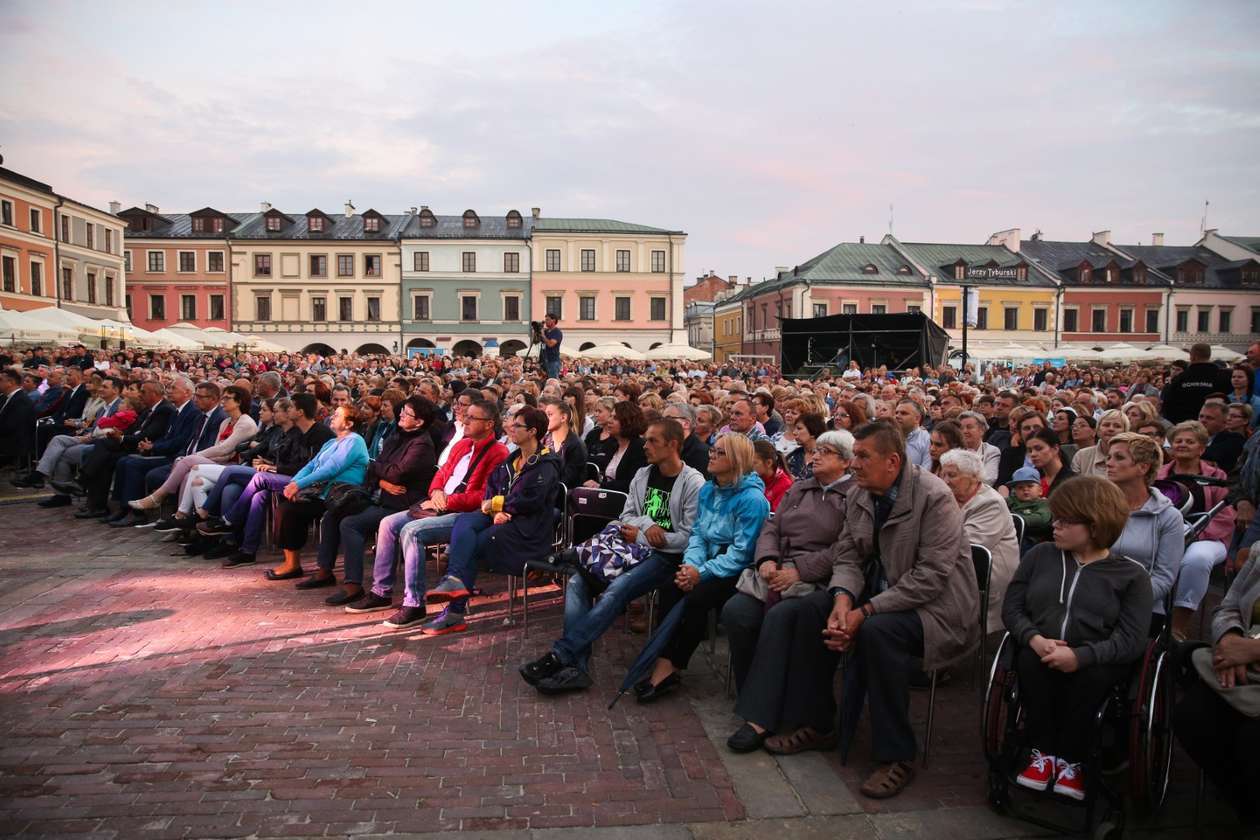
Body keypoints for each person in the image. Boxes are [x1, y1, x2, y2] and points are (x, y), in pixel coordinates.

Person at [824, 420, 979, 799]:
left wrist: (865, 612)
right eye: (854, 455)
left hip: (937, 608)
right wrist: (842, 600)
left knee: (878, 632)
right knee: (806, 611)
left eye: (862, 456)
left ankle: (897, 754)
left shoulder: (934, 496)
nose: (854, 464)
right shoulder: (861, 493)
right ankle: (820, 720)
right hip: (878, 593)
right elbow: (847, 552)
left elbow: (931, 577)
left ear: (892, 461)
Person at [520, 418, 705, 694]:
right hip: (627, 550)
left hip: (665, 557)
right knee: (576, 583)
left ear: (673, 444)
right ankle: (576, 669)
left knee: (617, 590)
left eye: (653, 440)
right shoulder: (643, 475)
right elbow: (627, 516)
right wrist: (647, 526)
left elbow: (687, 537)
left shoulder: (693, 482)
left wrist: (644, 534)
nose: (646, 446)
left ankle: (561, 655)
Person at [1002, 476, 1152, 802]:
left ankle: (1072, 759)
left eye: (1066, 521)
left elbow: (1132, 639)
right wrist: (1034, 638)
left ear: (1095, 525)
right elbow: (1012, 608)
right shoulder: (1041, 556)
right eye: (1055, 517)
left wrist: (1081, 657)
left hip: (1097, 656)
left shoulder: (1131, 576)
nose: (1055, 525)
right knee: (1030, 662)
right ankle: (1040, 752)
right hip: (1041, 645)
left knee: (1092, 678)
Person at [722, 430, 855, 754]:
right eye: (817, 450)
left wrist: (800, 571)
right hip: (779, 570)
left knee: (782, 616)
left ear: (846, 462)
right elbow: (772, 527)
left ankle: (759, 717)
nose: (816, 456)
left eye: (826, 451)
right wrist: (767, 559)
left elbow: (847, 548)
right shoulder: (800, 488)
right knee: (737, 612)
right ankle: (757, 695)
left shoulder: (854, 496)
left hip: (821, 580)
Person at [631, 433, 768, 703]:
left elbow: (742, 553)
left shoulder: (752, 500)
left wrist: (700, 573)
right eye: (712, 451)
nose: (711, 456)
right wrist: (691, 565)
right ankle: (663, 656)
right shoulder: (708, 489)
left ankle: (671, 665)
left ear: (737, 460)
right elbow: (697, 534)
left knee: (696, 597)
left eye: (720, 453)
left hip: (735, 570)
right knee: (671, 587)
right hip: (704, 560)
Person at [368, 399, 509, 628]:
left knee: (411, 531)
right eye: (466, 415)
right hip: (436, 504)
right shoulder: (462, 445)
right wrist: (435, 493)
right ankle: (381, 591)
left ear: (489, 424)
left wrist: (447, 501)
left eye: (473, 417)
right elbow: (441, 474)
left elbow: (483, 496)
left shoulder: (498, 452)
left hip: (465, 514)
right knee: (388, 523)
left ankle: (414, 604)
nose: (465, 420)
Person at [422, 405, 561, 635]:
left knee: (475, 544)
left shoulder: (546, 465)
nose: (510, 428)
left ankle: (455, 612)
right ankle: (455, 579)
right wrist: (495, 510)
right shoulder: (512, 460)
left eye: (517, 425)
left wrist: (498, 505)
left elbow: (530, 500)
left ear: (533, 431)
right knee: (465, 522)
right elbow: (491, 488)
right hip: (500, 518)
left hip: (526, 529)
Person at [301, 396, 439, 608]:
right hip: (381, 495)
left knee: (351, 524)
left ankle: (354, 585)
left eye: (406, 413)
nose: (400, 414)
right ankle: (324, 571)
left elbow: (396, 472)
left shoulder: (421, 444)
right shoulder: (396, 436)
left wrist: (381, 473)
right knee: (333, 514)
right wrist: (383, 480)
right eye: (402, 410)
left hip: (402, 504)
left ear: (419, 421)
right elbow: (375, 469)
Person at [1174, 543, 1260, 827]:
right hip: (1244, 669)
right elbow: (1228, 606)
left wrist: (1253, 650)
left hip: (1251, 660)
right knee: (1192, 717)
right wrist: (1230, 639)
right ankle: (1245, 807)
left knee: (1252, 739)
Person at [263, 403, 370, 581]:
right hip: (323, 494)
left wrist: (298, 485)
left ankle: (308, 568)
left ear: (349, 424)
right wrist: (294, 483)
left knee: (291, 510)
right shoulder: (330, 442)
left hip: (342, 497)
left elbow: (331, 469)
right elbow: (311, 466)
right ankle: (292, 563)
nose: (332, 417)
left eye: (337, 415)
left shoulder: (354, 441)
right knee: (287, 507)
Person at [127, 385, 259, 524]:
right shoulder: (226, 422)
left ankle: (160, 498)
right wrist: (196, 458)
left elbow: (224, 449)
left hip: (234, 467)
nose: (223, 401)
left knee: (189, 463)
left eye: (227, 398)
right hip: (222, 463)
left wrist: (196, 456)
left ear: (239, 401)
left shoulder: (245, 423)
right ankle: (188, 521)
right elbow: (220, 451)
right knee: (190, 477)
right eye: (223, 397)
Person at [1159, 421, 1236, 640]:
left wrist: (1194, 533)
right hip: (1168, 534)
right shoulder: (1159, 474)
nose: (1182, 445)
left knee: (1197, 559)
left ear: (1201, 448)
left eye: (1189, 441)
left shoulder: (1217, 476)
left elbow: (1225, 515)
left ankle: (1180, 623)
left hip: (1209, 536)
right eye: (1178, 441)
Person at [938, 448, 1019, 634]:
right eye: (943, 474)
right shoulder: (948, 498)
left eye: (952, 475)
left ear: (974, 477)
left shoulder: (990, 503)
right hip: (958, 572)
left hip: (985, 582)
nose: (945, 481)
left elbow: (965, 547)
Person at [1106, 432, 1183, 620]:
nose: (1108, 463)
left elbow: (1164, 578)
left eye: (1119, 457)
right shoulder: (1098, 507)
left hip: (1139, 610)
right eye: (1109, 457)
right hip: (1089, 599)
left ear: (1142, 467)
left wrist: (1124, 601)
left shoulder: (1169, 517)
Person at [585, 401, 647, 493]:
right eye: (610, 416)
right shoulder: (613, 444)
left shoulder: (639, 447)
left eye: (615, 418)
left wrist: (600, 486)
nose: (609, 421)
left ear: (628, 421)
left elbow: (632, 483)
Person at [1161, 342, 1231, 424]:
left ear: (1192, 356)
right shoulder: (1223, 377)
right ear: (1209, 356)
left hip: (1185, 423)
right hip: (1215, 422)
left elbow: (1168, 404)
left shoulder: (1180, 379)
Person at [539, 396, 587, 490]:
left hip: (565, 495)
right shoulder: (545, 440)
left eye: (549, 415)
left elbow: (568, 480)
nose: (545, 419)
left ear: (563, 417)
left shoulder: (576, 445)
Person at [1071, 409, 1127, 478]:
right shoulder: (1081, 456)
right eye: (1106, 425)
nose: (1111, 429)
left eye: (1117, 426)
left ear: (1125, 431)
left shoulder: (1131, 457)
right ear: (1098, 429)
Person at [1006, 466, 1051, 548]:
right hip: (1011, 536)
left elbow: (1042, 518)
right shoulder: (1012, 501)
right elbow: (999, 505)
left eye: (1030, 486)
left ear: (1040, 490)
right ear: (1014, 491)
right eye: (1020, 487)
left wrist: (1018, 519)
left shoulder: (1043, 503)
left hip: (1032, 539)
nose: (1025, 489)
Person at [661, 402, 710, 477]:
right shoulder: (661, 448)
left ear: (686, 424)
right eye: (662, 419)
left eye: (668, 418)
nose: (662, 423)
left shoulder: (703, 454)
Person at [1025, 428, 1075, 497]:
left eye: (1039, 448)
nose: (1033, 454)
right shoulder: (1030, 479)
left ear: (1055, 448)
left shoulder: (1073, 481)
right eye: (1030, 450)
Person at [1201, 399, 1245, 473]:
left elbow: (1215, 454)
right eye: (1201, 416)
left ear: (1224, 422)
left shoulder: (1234, 439)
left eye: (1209, 418)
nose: (1203, 420)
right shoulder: (1192, 436)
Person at [957, 410, 1001, 485]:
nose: (964, 431)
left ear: (982, 430)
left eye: (969, 427)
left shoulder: (991, 451)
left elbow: (989, 479)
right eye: (961, 428)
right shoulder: (954, 451)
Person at [753, 439, 793, 512]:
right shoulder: (752, 479)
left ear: (769, 463)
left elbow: (775, 516)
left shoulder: (785, 485)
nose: (749, 467)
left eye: (754, 463)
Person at [784, 412, 825, 480]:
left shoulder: (826, 457)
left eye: (799, 428)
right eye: (795, 428)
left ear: (813, 431)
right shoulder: (793, 456)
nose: (794, 432)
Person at [894, 399, 931, 470]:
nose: (897, 416)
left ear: (917, 418)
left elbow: (927, 471)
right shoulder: (890, 436)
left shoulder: (927, 440)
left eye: (903, 413)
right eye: (896, 413)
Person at [1227, 364, 1260, 429]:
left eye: (1240, 377)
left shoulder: (1257, 402)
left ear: (1249, 379)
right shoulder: (1224, 399)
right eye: (1233, 377)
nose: (1236, 379)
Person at [540, 313, 563, 379]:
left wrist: (543, 335)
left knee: (552, 381)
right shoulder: (546, 331)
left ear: (553, 321)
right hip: (544, 359)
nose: (546, 322)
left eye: (547, 320)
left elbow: (550, 344)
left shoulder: (557, 332)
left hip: (553, 361)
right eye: (545, 320)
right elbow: (536, 341)